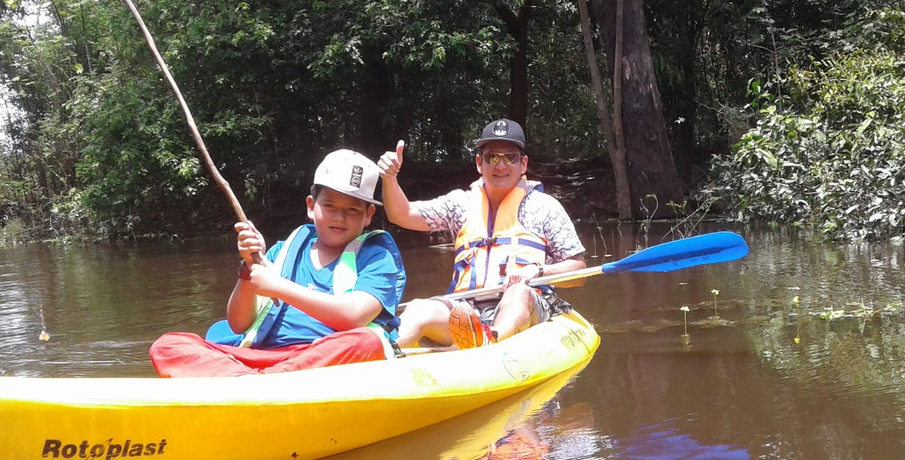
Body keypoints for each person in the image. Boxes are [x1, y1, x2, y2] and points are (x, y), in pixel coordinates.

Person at [150, 149, 406, 376]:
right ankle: (249, 379)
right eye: (329, 205)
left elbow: (354, 316)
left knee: (366, 341)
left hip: (326, 356)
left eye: (352, 209)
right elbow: (238, 324)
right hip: (265, 355)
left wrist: (277, 286)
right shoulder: (283, 250)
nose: (339, 217)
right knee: (169, 345)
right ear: (310, 206)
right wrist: (251, 267)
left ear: (368, 215)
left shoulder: (378, 254)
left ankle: (262, 381)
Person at [377, 119, 585, 349]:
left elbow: (578, 271)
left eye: (510, 157)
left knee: (519, 294)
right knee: (419, 307)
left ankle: (489, 342)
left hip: (527, 305)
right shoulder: (461, 204)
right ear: (479, 163)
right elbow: (402, 214)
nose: (500, 165)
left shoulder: (545, 207)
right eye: (492, 157)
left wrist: (537, 270)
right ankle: (379, 351)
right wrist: (389, 178)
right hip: (465, 312)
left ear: (523, 164)